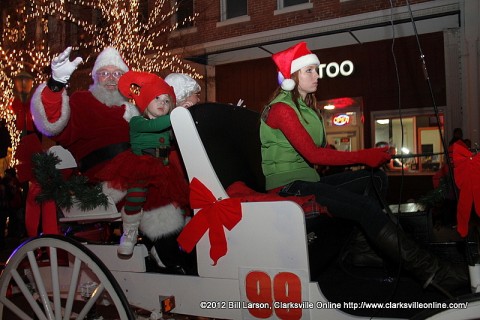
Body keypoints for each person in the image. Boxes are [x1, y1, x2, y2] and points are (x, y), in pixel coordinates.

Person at [260, 41, 467, 294]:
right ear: (292, 76)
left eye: (317, 69)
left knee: (374, 178)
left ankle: (362, 249)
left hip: (308, 181)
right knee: (365, 205)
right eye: (309, 71)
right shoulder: (282, 109)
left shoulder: (307, 107)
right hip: (287, 187)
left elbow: (318, 153)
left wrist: (368, 159)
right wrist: (364, 155)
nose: (317, 75)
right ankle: (433, 272)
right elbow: (313, 153)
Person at [30, 47, 188, 268]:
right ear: (95, 77)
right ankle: (165, 249)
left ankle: (179, 245)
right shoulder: (82, 101)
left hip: (139, 164)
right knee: (151, 187)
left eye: (117, 73)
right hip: (104, 172)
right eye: (105, 73)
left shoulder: (133, 108)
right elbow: (54, 123)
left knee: (177, 175)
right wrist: (57, 83)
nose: (111, 79)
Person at [96, 71, 189, 256]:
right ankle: (129, 232)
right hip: (140, 164)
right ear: (145, 102)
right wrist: (177, 114)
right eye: (157, 99)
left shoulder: (167, 124)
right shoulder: (138, 121)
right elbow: (153, 127)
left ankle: (179, 231)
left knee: (177, 196)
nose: (162, 103)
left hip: (162, 168)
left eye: (166, 101)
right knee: (136, 194)